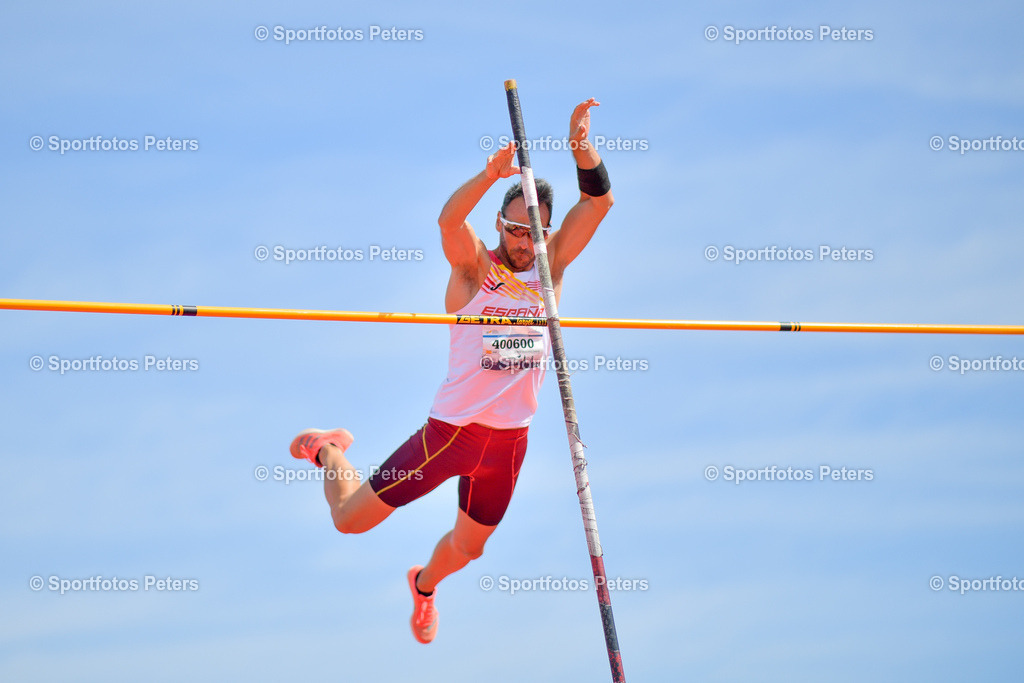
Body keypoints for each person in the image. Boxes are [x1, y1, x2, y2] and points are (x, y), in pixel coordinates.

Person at [289, 98, 613, 643]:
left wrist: (581, 146)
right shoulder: (474, 268)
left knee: (469, 548)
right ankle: (329, 447)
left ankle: (423, 585)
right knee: (349, 520)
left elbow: (599, 202)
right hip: (450, 434)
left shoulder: (551, 267)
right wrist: (489, 175)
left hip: (509, 446)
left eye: (531, 232)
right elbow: (448, 220)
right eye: (513, 229)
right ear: (500, 224)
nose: (521, 242)